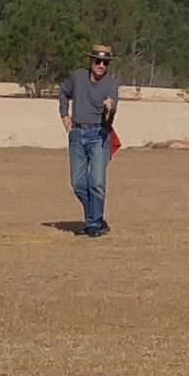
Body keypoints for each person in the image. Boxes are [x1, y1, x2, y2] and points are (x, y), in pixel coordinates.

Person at [59, 44, 119, 237]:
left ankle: (93, 223)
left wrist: (109, 108)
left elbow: (109, 119)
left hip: (99, 134)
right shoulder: (78, 76)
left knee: (97, 182)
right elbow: (63, 91)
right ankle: (96, 217)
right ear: (91, 61)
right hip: (77, 133)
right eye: (98, 61)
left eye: (105, 62)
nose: (101, 65)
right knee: (78, 183)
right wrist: (64, 115)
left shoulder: (111, 84)